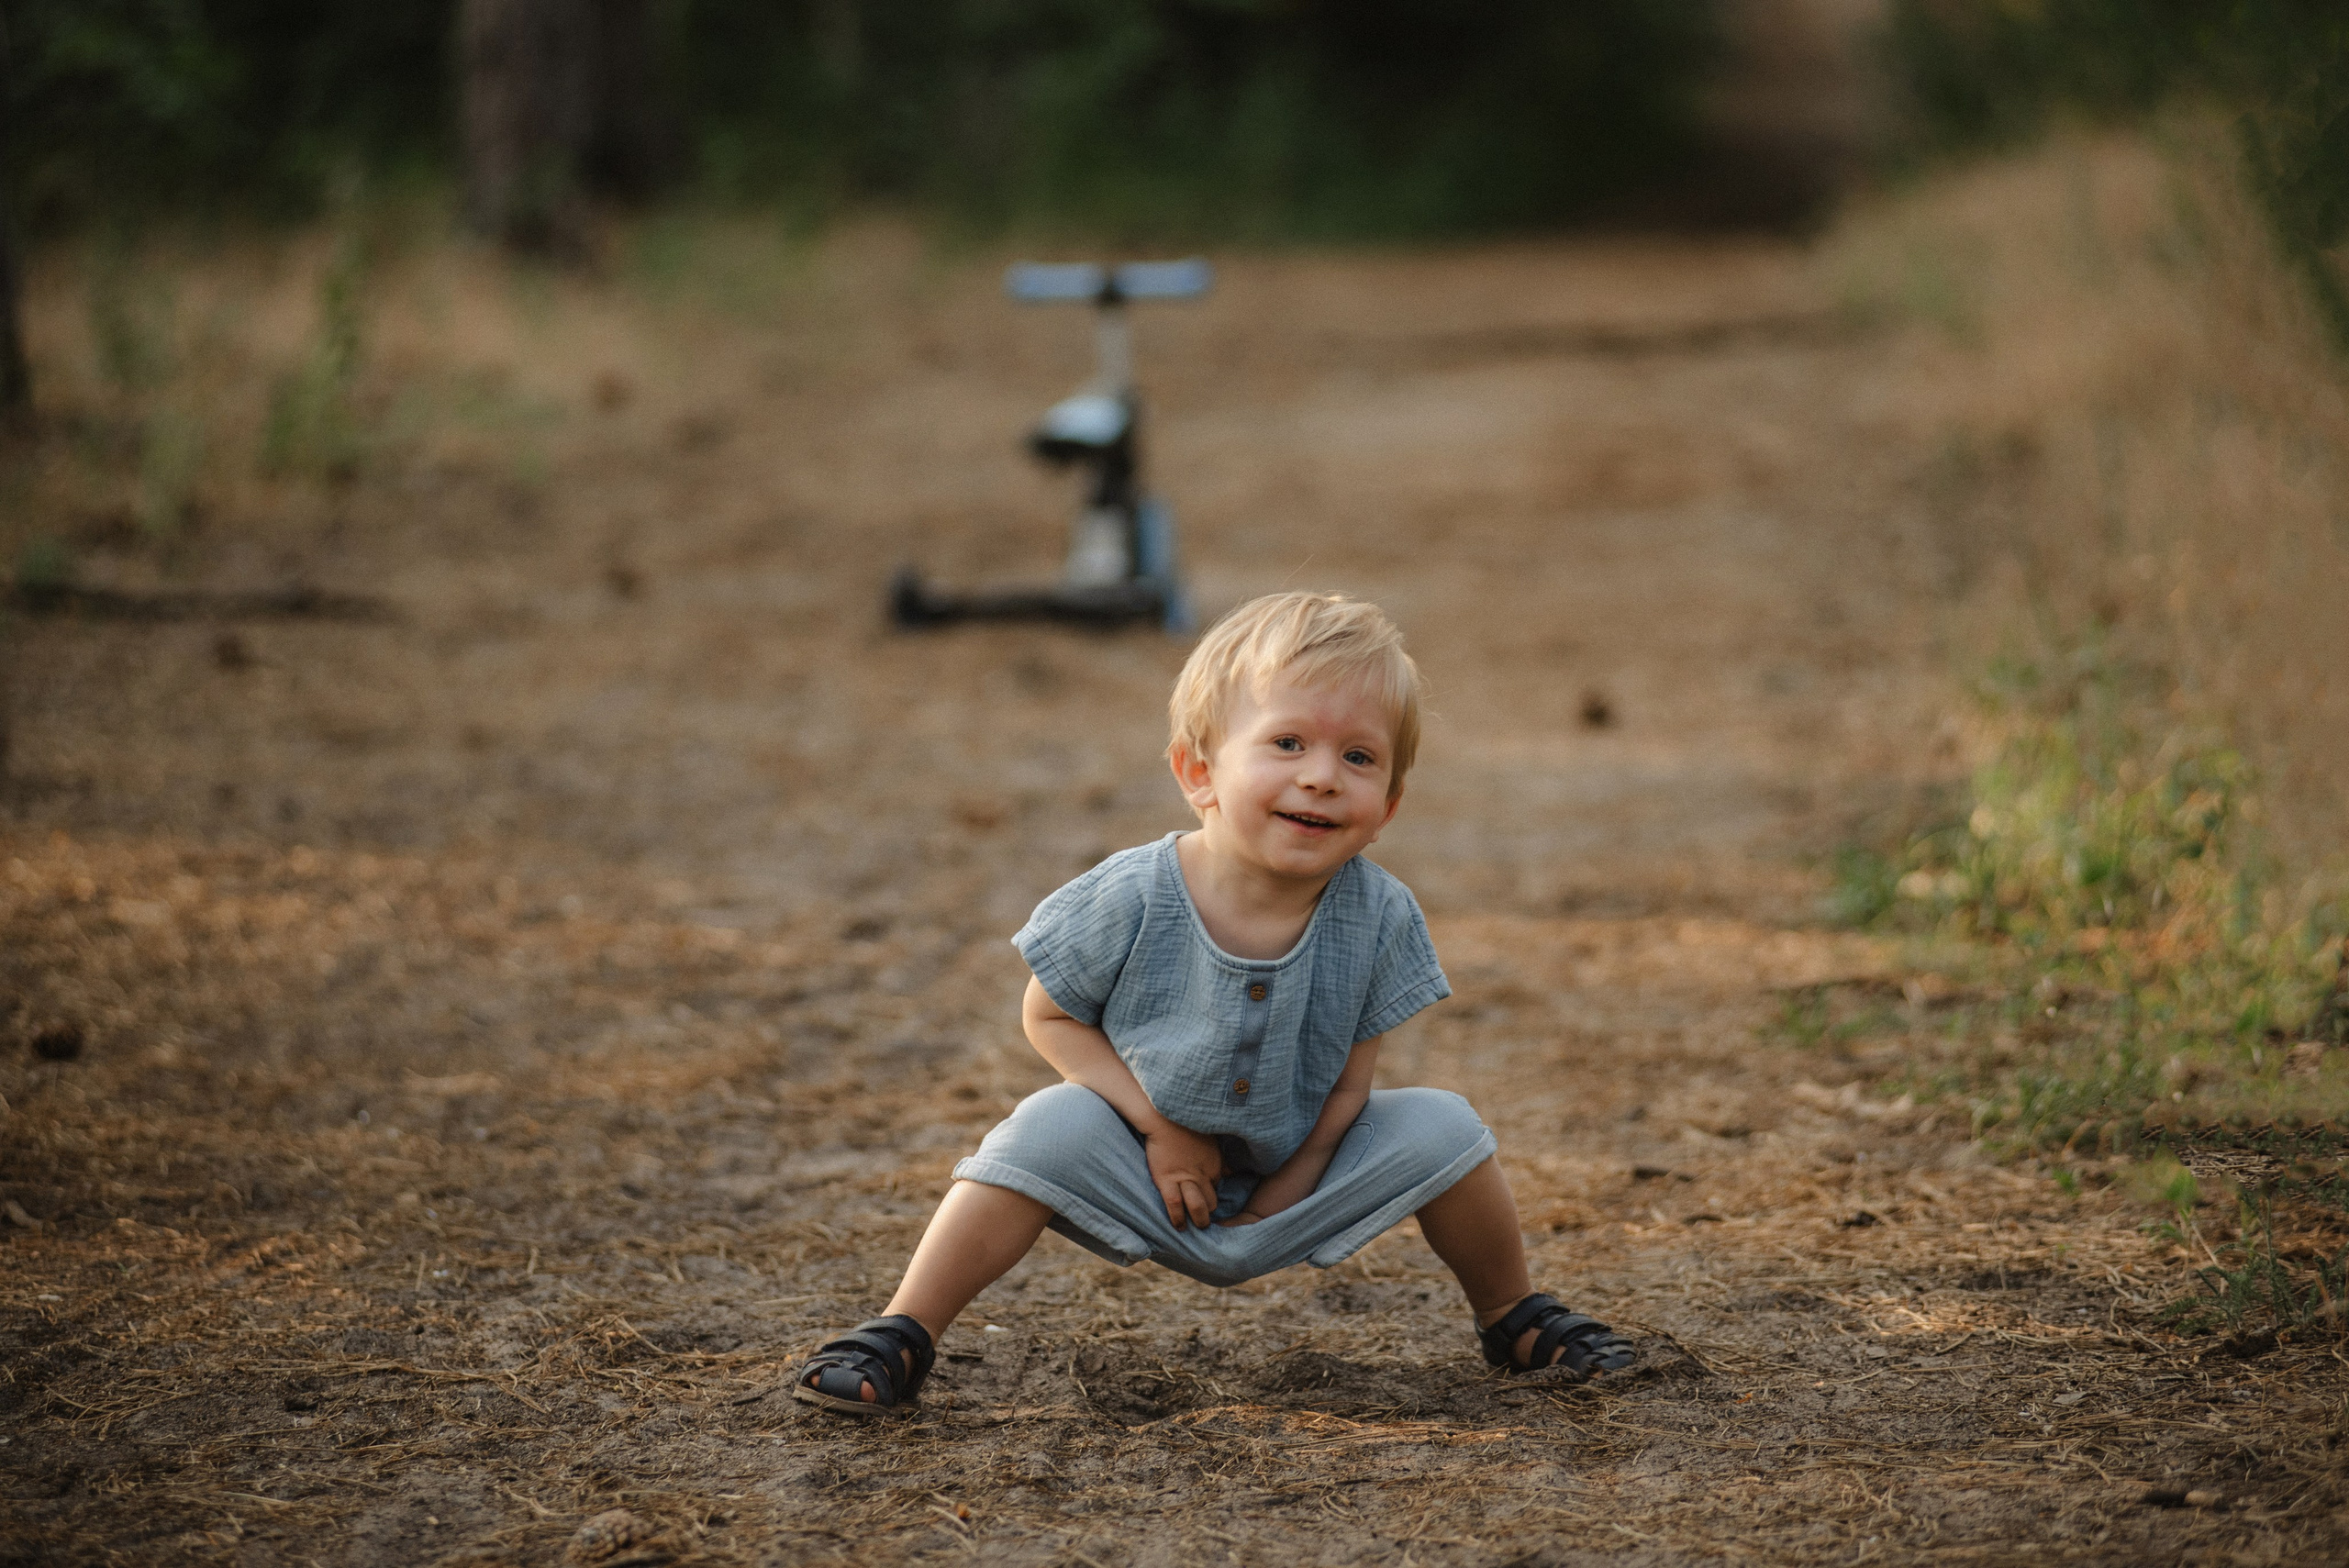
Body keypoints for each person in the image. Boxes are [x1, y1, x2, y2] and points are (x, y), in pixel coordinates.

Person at [793, 591, 1635, 1415]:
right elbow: (1047, 1017)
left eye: (1359, 758)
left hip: (1300, 1175)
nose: (1321, 777)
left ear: (1389, 806)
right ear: (1199, 772)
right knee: (1044, 1127)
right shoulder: (1131, 892)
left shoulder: (1380, 914)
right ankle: (904, 1327)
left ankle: (1513, 1314)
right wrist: (1160, 1129)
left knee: (1448, 1126)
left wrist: (1294, 1184)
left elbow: (1350, 1083)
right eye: (1288, 741)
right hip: (1141, 1169)